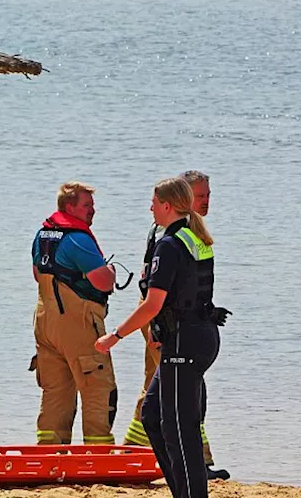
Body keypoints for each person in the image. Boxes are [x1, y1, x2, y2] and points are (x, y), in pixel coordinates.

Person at [96, 177, 230, 498]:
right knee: (153, 415)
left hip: (186, 341)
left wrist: (114, 336)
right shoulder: (192, 236)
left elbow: (152, 304)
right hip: (199, 337)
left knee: (180, 430)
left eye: (154, 203)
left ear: (167, 206)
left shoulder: (170, 244)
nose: (150, 208)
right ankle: (182, 491)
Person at [31, 181, 119, 445]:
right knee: (97, 389)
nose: (93, 211)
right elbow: (104, 282)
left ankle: (48, 453)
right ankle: (97, 452)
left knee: (55, 391)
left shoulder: (43, 235)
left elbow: (38, 275)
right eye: (87, 206)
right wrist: (111, 270)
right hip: (78, 323)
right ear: (70, 207)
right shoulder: (78, 240)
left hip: (45, 322)